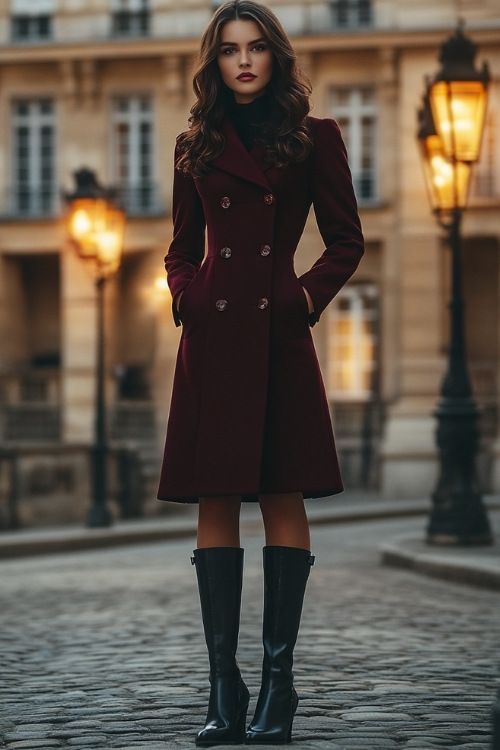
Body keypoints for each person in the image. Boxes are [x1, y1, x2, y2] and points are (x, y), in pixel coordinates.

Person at [158, 0, 364, 745]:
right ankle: (223, 687)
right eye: (229, 50)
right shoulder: (195, 145)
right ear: (214, 62)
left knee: (281, 490)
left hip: (277, 335)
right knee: (216, 497)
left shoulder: (316, 139)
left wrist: (302, 296)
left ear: (275, 55)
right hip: (214, 340)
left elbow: (346, 239)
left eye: (256, 48)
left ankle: (279, 683)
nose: (243, 60)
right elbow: (180, 246)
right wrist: (188, 296)